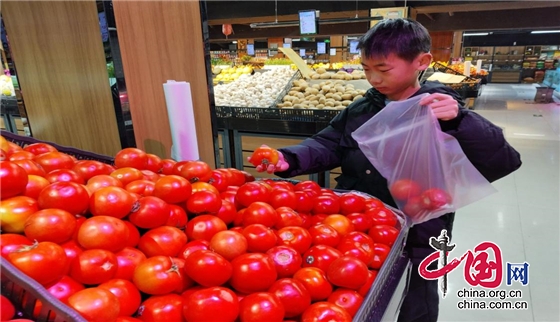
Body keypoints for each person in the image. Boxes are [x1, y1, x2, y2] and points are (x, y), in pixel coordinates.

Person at [249, 18, 521, 322]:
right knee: (360, 296)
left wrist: (461, 120)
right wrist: (290, 158)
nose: (373, 78)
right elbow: (330, 143)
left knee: (417, 298)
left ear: (422, 61)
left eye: (383, 69)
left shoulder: (440, 109)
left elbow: (502, 160)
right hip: (361, 222)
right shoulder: (363, 108)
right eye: (366, 69)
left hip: (420, 232)